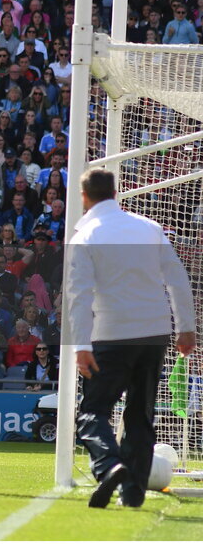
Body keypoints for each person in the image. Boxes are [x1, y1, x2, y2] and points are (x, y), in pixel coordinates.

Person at [67, 169, 196, 509]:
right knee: (140, 414)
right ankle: (133, 493)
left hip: (111, 334)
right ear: (115, 192)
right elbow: (177, 278)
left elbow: (79, 296)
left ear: (84, 197)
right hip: (154, 333)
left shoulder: (85, 235)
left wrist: (81, 345)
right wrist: (186, 327)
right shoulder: (148, 227)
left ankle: (110, 465)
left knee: (93, 411)